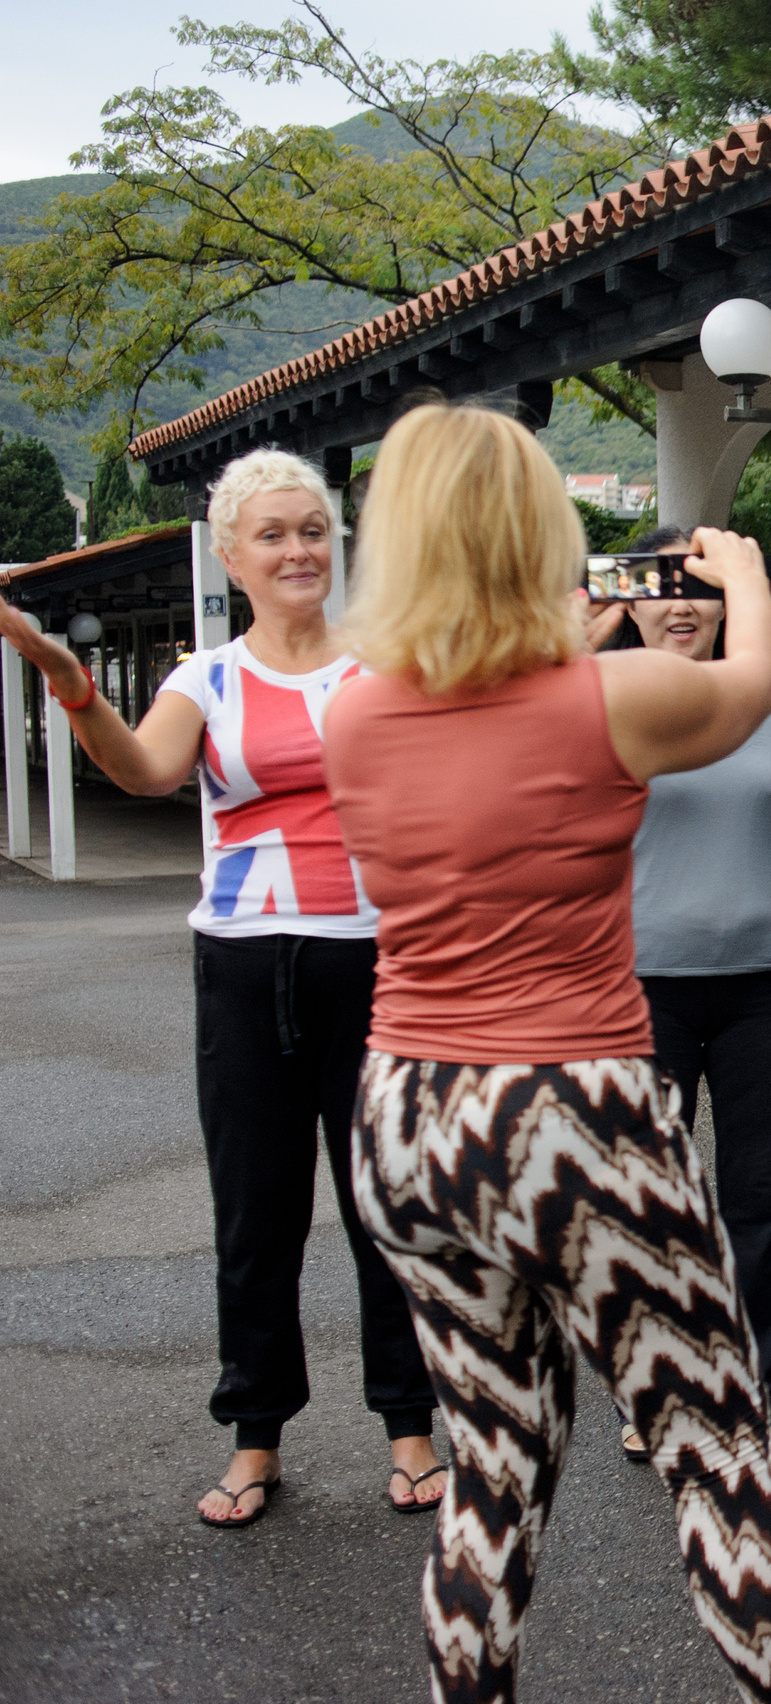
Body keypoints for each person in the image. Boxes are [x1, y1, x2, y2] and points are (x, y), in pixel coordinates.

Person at [322, 405, 771, 1704]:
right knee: (716, 1446)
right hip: (572, 1105)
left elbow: (488, 699)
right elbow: (757, 687)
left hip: (407, 1114)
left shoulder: (354, 715)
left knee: (492, 1466)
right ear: (541, 532)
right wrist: (746, 578)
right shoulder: (611, 699)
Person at [0, 450, 442, 1530]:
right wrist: (64, 676)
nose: (298, 550)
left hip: (372, 960)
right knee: (255, 1213)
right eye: (273, 535)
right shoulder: (205, 679)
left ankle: (411, 1428)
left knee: (387, 1205)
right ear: (232, 556)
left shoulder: (386, 667)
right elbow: (145, 770)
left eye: (313, 531)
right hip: (243, 964)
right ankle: (255, 1436)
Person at [595, 526, 771, 1456]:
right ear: (629, 602)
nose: (681, 604)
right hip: (637, 988)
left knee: (762, 1198)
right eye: (658, 585)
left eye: (699, 586)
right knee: (648, 1200)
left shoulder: (759, 703)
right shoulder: (597, 698)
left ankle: (760, 1388)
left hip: (762, 989)